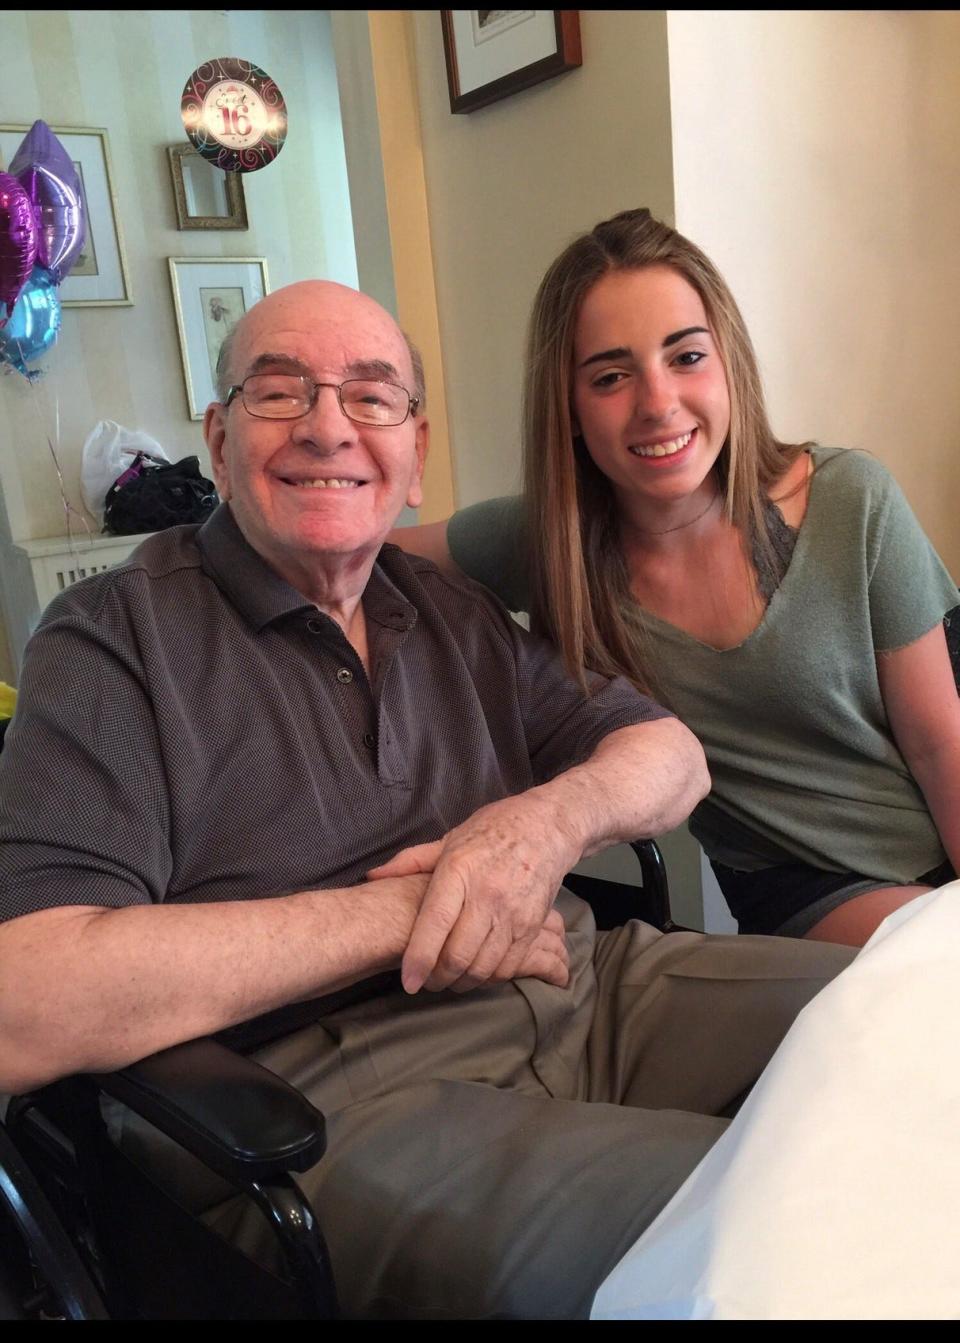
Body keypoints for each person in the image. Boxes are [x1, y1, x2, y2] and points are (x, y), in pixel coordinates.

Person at [0, 279, 851, 1320]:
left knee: (916, 1026)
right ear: (218, 441)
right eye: (279, 393)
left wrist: (541, 823)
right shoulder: (110, 637)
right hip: (332, 1090)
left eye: (369, 395)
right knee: (783, 1229)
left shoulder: (451, 606)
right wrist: (421, 907)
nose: (326, 426)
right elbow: (25, 997)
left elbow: (671, 754)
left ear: (415, 451)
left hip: (590, 983)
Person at [394, 208, 960, 948]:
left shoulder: (851, 499)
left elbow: (939, 742)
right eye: (611, 375)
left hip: (933, 846)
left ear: (728, 363)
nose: (658, 403)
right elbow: (372, 544)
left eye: (686, 357)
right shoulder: (548, 544)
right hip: (797, 890)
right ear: (567, 407)